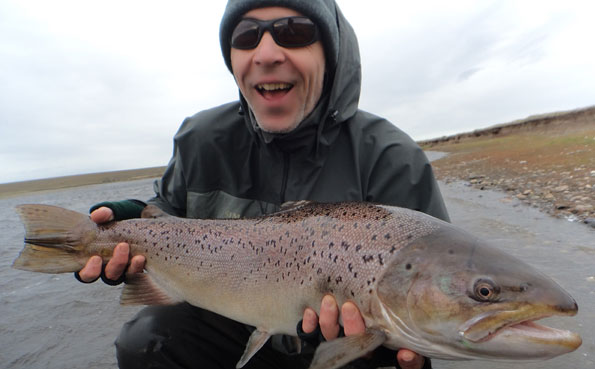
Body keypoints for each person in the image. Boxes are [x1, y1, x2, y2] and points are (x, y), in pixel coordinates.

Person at [78, 1, 449, 368]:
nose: (266, 53)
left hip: (347, 353)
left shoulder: (390, 156)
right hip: (233, 331)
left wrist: (383, 350)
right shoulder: (202, 138)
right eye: (246, 36)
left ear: (332, 53)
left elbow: (432, 301)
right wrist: (130, 222)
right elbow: (172, 213)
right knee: (144, 340)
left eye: (294, 32)